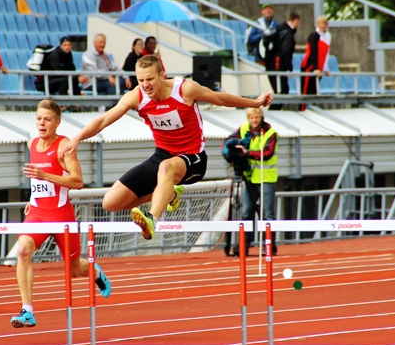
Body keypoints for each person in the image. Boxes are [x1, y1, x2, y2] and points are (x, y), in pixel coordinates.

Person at [63, 55, 273, 239]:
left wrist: (255, 103)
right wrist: (77, 138)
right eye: (141, 79)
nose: (145, 84)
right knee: (110, 202)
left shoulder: (185, 89)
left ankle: (152, 219)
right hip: (162, 155)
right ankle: (169, 193)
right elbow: (103, 120)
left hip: (193, 159)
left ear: (162, 75)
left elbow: (220, 98)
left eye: (150, 79)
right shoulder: (136, 96)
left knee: (166, 167)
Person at [11, 100, 112, 327]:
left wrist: (45, 176)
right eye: (38, 118)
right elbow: (36, 180)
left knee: (75, 269)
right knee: (23, 250)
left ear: (57, 122)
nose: (41, 123)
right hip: (37, 213)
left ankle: (94, 271)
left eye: (47, 119)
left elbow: (77, 181)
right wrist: (32, 198)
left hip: (61, 215)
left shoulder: (64, 146)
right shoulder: (31, 144)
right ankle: (27, 310)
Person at [223, 107, 278, 256]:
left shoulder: (270, 133)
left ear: (261, 118)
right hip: (249, 177)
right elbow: (227, 141)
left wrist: (247, 153)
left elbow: (267, 153)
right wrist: (229, 150)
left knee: (267, 213)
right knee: (246, 212)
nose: (254, 120)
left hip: (266, 178)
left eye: (257, 117)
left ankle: (269, 246)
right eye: (251, 118)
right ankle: (243, 247)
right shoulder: (243, 129)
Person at [267, 11, 301, 102]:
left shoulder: (280, 30)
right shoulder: (288, 34)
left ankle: (273, 112)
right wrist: (290, 68)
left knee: (281, 92)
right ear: (296, 21)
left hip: (272, 64)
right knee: (282, 93)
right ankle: (272, 113)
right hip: (277, 65)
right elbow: (286, 51)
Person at [300, 15, 330, 106]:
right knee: (306, 93)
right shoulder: (314, 35)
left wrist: (325, 68)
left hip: (319, 68)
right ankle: (303, 110)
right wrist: (315, 67)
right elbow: (313, 52)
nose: (322, 26)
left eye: (324, 24)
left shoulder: (327, 36)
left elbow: (326, 54)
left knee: (314, 92)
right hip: (309, 67)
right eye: (320, 24)